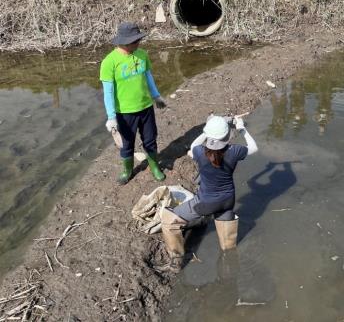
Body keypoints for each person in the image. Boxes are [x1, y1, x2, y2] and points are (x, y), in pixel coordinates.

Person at [160, 115, 258, 269]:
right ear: (226, 137)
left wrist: (208, 130)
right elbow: (253, 147)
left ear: (209, 137)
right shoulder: (235, 151)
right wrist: (241, 128)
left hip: (206, 202)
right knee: (228, 245)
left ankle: (176, 261)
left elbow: (193, 145)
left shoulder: (199, 152)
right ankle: (229, 270)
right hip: (228, 200)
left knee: (167, 221)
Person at [100, 22, 167, 184]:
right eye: (135, 41)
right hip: (124, 113)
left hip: (146, 107)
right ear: (124, 41)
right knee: (126, 144)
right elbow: (108, 92)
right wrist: (111, 117)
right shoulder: (109, 62)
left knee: (150, 139)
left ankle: (154, 167)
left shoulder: (142, 54)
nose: (139, 43)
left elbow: (148, 76)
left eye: (139, 40)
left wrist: (156, 96)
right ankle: (127, 170)